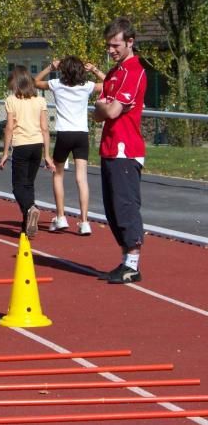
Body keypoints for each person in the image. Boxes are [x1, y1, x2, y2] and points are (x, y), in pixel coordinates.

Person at [93, 17, 147, 284]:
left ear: (130, 42)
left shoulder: (133, 71)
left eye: (115, 45)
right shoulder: (114, 73)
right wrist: (104, 106)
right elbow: (98, 113)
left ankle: (133, 263)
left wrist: (105, 106)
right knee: (112, 208)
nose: (111, 50)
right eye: (108, 45)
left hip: (126, 149)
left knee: (125, 206)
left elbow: (110, 109)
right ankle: (126, 260)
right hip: (109, 147)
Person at [34, 56, 105, 235]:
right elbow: (111, 84)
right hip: (81, 135)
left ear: (63, 70)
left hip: (65, 134)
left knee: (58, 175)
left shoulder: (57, 84)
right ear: (81, 70)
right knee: (82, 178)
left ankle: (61, 217)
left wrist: (50, 67)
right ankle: (84, 221)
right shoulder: (87, 86)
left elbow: (36, 82)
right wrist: (95, 70)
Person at [0, 66, 55, 238]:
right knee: (28, 184)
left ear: (15, 83)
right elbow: (45, 128)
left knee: (18, 187)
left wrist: (5, 152)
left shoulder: (11, 100)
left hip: (21, 145)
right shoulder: (40, 101)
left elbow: (9, 127)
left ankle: (31, 208)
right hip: (37, 145)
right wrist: (47, 155)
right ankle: (26, 225)